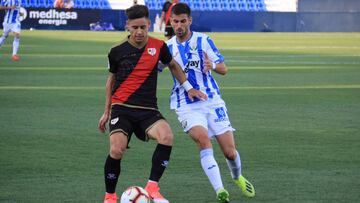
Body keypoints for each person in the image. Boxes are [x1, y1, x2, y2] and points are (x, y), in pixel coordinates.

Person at [97, 4, 206, 203]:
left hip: (148, 109)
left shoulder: (158, 47)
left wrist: (189, 87)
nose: (139, 32)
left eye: (143, 27)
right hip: (122, 107)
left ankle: (152, 188)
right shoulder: (116, 51)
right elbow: (111, 81)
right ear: (128, 26)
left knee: (167, 136)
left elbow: (173, 65)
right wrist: (106, 111)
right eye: (135, 27)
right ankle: (110, 196)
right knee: (116, 149)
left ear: (149, 25)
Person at [166, 3, 255, 203]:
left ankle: (237, 177)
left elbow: (224, 69)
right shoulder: (168, 48)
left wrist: (212, 65)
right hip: (186, 104)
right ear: (170, 22)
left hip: (212, 101)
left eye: (182, 21)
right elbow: (153, 71)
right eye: (175, 21)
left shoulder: (203, 40)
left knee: (230, 153)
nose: (179, 25)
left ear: (189, 20)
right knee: (203, 140)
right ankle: (220, 190)